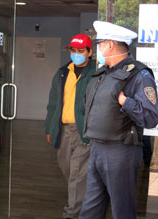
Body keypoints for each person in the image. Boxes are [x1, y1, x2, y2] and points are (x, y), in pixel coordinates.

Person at [80, 21, 158, 219]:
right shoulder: (103, 74)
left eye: (100, 43)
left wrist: (125, 101)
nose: (98, 47)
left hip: (121, 151)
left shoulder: (139, 75)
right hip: (97, 147)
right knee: (90, 210)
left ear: (110, 45)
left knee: (122, 211)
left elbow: (150, 118)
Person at [45, 34, 96, 219]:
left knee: (77, 175)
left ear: (90, 52)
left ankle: (72, 214)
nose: (76, 54)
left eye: (80, 51)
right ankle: (88, 203)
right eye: (73, 51)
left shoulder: (97, 72)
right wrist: (49, 128)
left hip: (83, 130)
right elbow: (52, 104)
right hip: (63, 130)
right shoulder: (62, 72)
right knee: (68, 171)